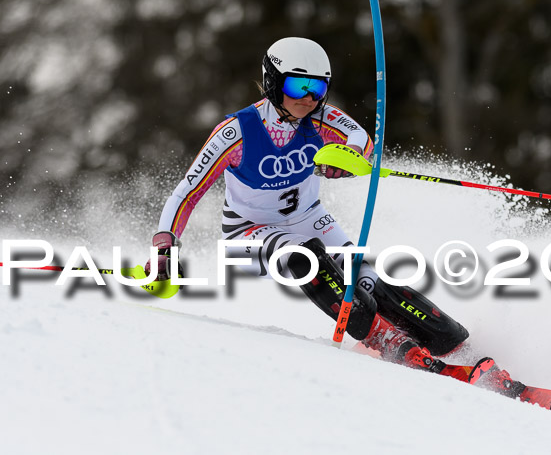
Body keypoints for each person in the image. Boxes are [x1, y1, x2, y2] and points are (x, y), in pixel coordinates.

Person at [146, 37, 520, 396]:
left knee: (370, 279)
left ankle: (456, 348)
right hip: (248, 233)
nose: (309, 98)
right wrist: (165, 245)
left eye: (319, 88)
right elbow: (187, 191)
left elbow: (360, 140)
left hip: (310, 217)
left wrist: (346, 161)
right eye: (298, 86)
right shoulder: (235, 133)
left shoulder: (322, 118)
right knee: (304, 256)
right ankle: (389, 342)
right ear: (273, 83)